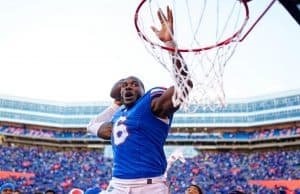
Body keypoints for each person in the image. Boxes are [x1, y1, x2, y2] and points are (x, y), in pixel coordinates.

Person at [87, 6, 193, 194]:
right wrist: (115, 104)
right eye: (125, 84)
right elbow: (91, 126)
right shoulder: (118, 116)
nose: (128, 86)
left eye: (134, 84)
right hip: (117, 185)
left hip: (149, 186)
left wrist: (170, 44)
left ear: (143, 92)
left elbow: (184, 87)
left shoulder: (150, 103)